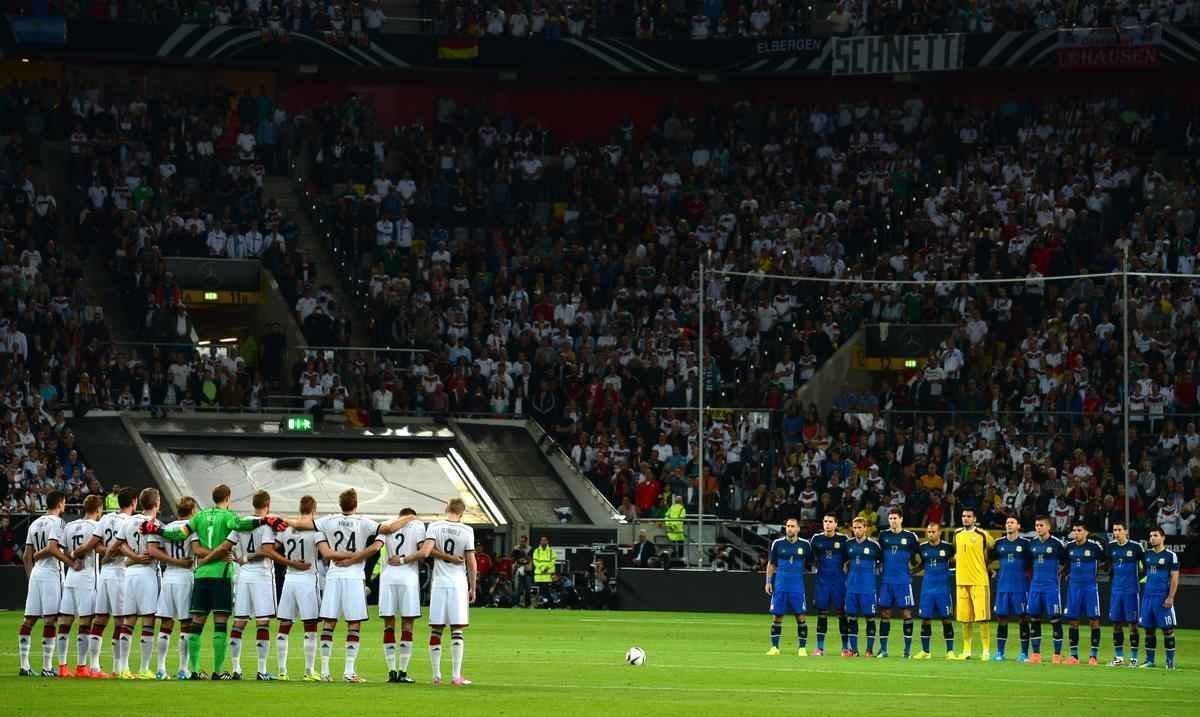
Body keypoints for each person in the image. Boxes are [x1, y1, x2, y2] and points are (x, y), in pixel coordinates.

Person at [147, 483, 286, 680]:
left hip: (201, 575)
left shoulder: (199, 517)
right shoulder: (228, 516)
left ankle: (194, 670)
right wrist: (265, 520)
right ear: (228, 498)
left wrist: (157, 530)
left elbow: (179, 534)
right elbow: (241, 526)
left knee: (197, 623)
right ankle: (218, 671)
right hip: (221, 574)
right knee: (220, 623)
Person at [287, 488, 413, 683]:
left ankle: (325, 672)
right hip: (354, 577)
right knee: (354, 624)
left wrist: (280, 520)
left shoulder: (328, 520)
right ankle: (348, 672)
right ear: (356, 504)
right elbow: (388, 529)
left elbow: (301, 524)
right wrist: (408, 517)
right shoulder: (363, 522)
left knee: (329, 623)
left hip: (333, 575)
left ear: (340, 504)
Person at [216, 490, 287, 680]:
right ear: (268, 504)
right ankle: (262, 670)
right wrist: (247, 557)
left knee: (239, 621)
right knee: (262, 622)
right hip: (261, 576)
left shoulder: (242, 523)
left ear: (253, 504)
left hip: (243, 576)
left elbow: (226, 545)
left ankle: (236, 669)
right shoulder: (266, 525)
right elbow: (267, 550)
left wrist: (235, 556)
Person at [71, 486, 136, 677]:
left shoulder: (106, 518)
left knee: (100, 619)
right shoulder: (129, 522)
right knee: (121, 620)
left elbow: (93, 545)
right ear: (133, 502)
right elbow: (125, 547)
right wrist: (116, 551)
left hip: (104, 573)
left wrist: (105, 552)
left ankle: (94, 667)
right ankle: (118, 669)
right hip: (120, 573)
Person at [275, 496, 336, 681]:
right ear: (314, 510)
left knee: (284, 625)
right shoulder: (316, 530)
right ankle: (309, 671)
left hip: (289, 579)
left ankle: (282, 671)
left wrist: (289, 562)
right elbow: (326, 554)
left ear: (299, 509)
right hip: (308, 580)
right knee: (310, 626)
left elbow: (271, 549)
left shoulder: (286, 529)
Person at [421, 497, 477, 686]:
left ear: (447, 509)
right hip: (457, 583)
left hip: (439, 583)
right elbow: (471, 561)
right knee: (457, 629)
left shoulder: (434, 526)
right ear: (462, 513)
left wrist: (444, 556)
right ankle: (455, 675)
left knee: (436, 629)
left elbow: (427, 550)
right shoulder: (467, 530)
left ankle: (436, 675)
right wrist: (473, 586)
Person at [18, 491, 71, 677]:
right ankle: (47, 667)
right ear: (60, 504)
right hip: (51, 574)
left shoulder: (34, 523)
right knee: (50, 620)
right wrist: (70, 562)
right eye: (64, 503)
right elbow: (53, 548)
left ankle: (24, 666)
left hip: (36, 574)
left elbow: (26, 556)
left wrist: (31, 577)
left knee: (29, 620)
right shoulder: (59, 523)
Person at [112, 488, 162, 679]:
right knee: (148, 620)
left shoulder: (129, 521)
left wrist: (132, 556)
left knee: (128, 620)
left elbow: (118, 544)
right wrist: (140, 557)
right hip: (148, 573)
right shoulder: (155, 524)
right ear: (156, 503)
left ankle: (124, 668)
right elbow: (158, 550)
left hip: (130, 575)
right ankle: (144, 668)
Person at [148, 496, 198, 680]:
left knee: (166, 623)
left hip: (169, 576)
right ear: (192, 510)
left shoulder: (167, 528)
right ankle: (183, 669)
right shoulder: (193, 528)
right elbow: (197, 550)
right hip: (186, 577)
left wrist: (172, 560)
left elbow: (156, 550)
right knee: (186, 624)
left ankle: (161, 669)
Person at [56, 494, 103, 678]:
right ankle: (81, 666)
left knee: (65, 621)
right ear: (98, 509)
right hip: (88, 578)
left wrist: (71, 561)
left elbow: (63, 550)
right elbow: (95, 548)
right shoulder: (96, 526)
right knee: (85, 622)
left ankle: (62, 666)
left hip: (71, 577)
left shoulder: (70, 526)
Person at [380, 507, 427, 684]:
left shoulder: (387, 524)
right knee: (407, 624)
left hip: (388, 578)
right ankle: (403, 672)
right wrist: (403, 559)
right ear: (412, 515)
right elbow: (422, 553)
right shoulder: (418, 525)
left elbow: (376, 546)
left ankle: (391, 671)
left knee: (388, 624)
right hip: (408, 578)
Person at [952, 507, 995, 660]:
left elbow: (993, 550)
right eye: (964, 516)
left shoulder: (983, 534)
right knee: (965, 619)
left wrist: (988, 567)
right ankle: (966, 651)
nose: (966, 518)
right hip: (961, 581)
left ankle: (986, 651)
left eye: (969, 516)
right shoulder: (957, 534)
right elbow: (956, 552)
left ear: (975, 519)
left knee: (983, 618)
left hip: (979, 581)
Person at [765, 517, 811, 657]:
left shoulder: (805, 545)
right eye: (788, 526)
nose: (789, 528)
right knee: (777, 617)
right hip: (780, 586)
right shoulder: (777, 543)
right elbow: (771, 564)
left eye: (792, 526)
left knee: (800, 617)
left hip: (797, 586)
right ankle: (775, 647)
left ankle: (802, 648)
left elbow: (812, 563)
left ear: (798, 528)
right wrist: (768, 581)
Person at [876, 508, 919, 658]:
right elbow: (879, 556)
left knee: (906, 613)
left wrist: (913, 570)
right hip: (887, 581)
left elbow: (919, 555)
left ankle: (907, 651)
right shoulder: (883, 536)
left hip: (903, 581)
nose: (893, 521)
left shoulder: (910, 537)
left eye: (895, 518)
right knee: (885, 613)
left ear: (901, 519)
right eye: (890, 518)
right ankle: (883, 649)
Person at [1027, 515, 1067, 664]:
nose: (1038, 528)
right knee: (1034, 619)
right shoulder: (1032, 544)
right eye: (1036, 525)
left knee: (1055, 620)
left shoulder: (1057, 544)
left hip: (1051, 588)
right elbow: (1027, 563)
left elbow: (1066, 561)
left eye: (1041, 525)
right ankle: (1036, 654)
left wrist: (1061, 573)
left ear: (1048, 527)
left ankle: (1056, 655)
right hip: (1035, 587)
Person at [1064, 521, 1105, 665]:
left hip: (1090, 588)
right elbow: (1065, 564)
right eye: (1074, 530)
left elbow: (1105, 559)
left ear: (1086, 532)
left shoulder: (1094, 547)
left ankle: (1093, 656)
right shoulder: (1069, 547)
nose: (1076, 533)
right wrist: (1066, 574)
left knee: (1094, 621)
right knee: (1073, 621)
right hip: (1074, 588)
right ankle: (1073, 656)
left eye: (1079, 530)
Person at [991, 515, 1031, 662]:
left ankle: (1024, 653)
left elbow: (1033, 563)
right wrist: (992, 571)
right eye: (1007, 522)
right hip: (1003, 587)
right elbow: (986, 559)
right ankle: (999, 652)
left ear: (1018, 526)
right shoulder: (998, 543)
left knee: (1023, 618)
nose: (1009, 524)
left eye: (1012, 522)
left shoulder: (1026, 544)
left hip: (1020, 587)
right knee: (1002, 618)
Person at [913, 521, 955, 659]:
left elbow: (956, 560)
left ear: (939, 532)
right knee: (925, 619)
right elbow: (921, 564)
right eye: (929, 532)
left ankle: (950, 651)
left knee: (946, 619)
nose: (930, 534)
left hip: (943, 589)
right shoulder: (922, 547)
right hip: (927, 588)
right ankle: (925, 651)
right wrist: (911, 571)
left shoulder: (948, 547)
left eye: (933, 532)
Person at [1139, 526, 1179, 670]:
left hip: (1162, 597)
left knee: (1167, 630)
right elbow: (1141, 571)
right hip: (1147, 597)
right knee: (1149, 629)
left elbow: (1175, 578)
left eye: (1155, 535)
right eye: (1150, 536)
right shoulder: (1147, 554)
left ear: (1163, 538)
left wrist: (1171, 597)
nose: (1152, 538)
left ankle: (1170, 662)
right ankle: (1150, 661)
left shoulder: (1170, 555)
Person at [1105, 521, 1145, 666]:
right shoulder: (1111, 547)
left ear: (1126, 531)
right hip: (1116, 591)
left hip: (1131, 591)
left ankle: (1134, 659)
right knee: (1116, 624)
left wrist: (1139, 581)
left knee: (1133, 625)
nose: (1116, 533)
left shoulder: (1136, 547)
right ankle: (1119, 658)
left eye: (1119, 530)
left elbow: (1145, 566)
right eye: (1114, 530)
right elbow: (1109, 565)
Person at [810, 514, 849, 656]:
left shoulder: (843, 539)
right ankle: (820, 648)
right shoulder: (816, 539)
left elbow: (848, 558)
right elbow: (810, 557)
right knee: (822, 613)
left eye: (830, 521)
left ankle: (845, 648)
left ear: (836, 524)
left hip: (839, 580)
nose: (827, 524)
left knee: (842, 613)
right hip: (822, 581)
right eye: (825, 521)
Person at [843, 516, 881, 657]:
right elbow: (843, 562)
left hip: (868, 588)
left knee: (870, 618)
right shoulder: (848, 544)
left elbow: (881, 562)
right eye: (855, 528)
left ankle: (869, 650)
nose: (857, 530)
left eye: (859, 527)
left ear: (865, 528)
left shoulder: (874, 546)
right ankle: (854, 650)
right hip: (852, 588)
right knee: (852, 618)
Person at [664, 495, 687, 561]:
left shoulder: (671, 507)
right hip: (678, 529)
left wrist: (669, 525)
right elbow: (681, 518)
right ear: (681, 501)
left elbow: (666, 516)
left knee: (673, 543)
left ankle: (673, 556)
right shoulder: (682, 509)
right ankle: (680, 557)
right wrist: (674, 525)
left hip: (671, 529)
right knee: (680, 543)